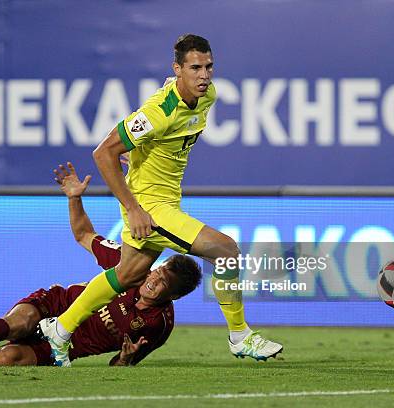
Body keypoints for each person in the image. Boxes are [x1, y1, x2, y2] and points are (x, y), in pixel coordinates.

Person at [40, 34, 283, 367]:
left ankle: (62, 327)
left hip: (166, 198)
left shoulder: (206, 95)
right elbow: (104, 152)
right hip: (150, 206)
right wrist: (134, 208)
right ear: (178, 69)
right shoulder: (158, 112)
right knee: (226, 251)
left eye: (209, 66)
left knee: (126, 275)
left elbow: (165, 130)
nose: (204, 75)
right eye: (195, 68)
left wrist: (142, 154)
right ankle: (240, 336)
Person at [0, 162, 201, 367]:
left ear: (173, 296)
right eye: (158, 270)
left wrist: (126, 361)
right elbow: (84, 234)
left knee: (6, 359)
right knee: (18, 323)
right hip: (54, 306)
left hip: (68, 347)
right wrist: (75, 197)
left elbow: (120, 364)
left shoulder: (158, 325)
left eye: (161, 282)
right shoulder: (130, 265)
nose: (152, 279)